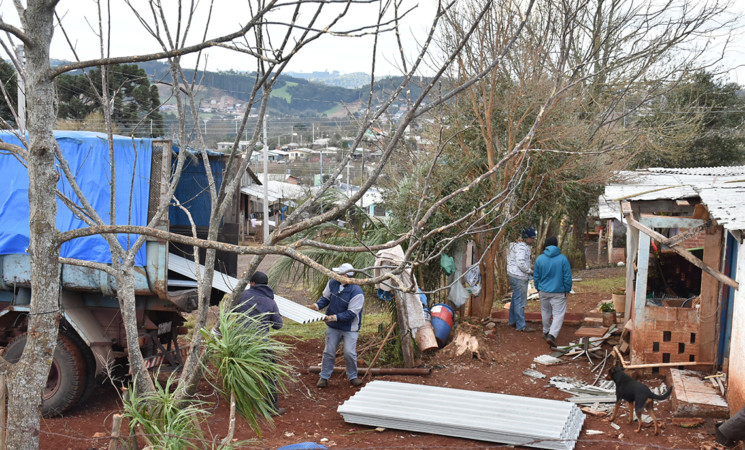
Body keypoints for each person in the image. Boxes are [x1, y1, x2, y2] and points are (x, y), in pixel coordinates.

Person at [236, 271, 285, 415]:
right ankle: (272, 407)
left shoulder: (241, 296)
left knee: (241, 373)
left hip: (240, 343)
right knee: (269, 374)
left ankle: (241, 405)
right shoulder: (270, 301)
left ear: (252, 283)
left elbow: (228, 311)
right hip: (261, 344)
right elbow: (278, 325)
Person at [309, 263, 365, 388]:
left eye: (338, 274)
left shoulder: (357, 292)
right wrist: (316, 306)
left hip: (350, 328)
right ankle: (324, 377)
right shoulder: (332, 283)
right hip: (333, 327)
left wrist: (334, 317)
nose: (335, 275)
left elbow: (351, 313)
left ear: (345, 276)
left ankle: (353, 377)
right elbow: (326, 298)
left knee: (349, 353)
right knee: (328, 351)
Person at [533, 236, 572, 347]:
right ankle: (552, 335)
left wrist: (538, 287)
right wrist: (567, 289)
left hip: (543, 291)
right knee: (558, 314)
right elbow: (567, 276)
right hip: (559, 291)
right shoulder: (563, 259)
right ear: (556, 245)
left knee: (545, 311)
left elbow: (536, 276)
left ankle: (546, 332)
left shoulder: (540, 259)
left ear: (546, 245)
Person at [506, 227, 536, 332]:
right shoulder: (522, 248)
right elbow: (521, 263)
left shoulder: (516, 246)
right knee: (520, 302)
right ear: (526, 238)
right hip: (519, 277)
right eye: (531, 238)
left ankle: (512, 321)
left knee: (515, 299)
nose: (533, 240)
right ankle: (521, 325)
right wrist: (530, 271)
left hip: (514, 275)